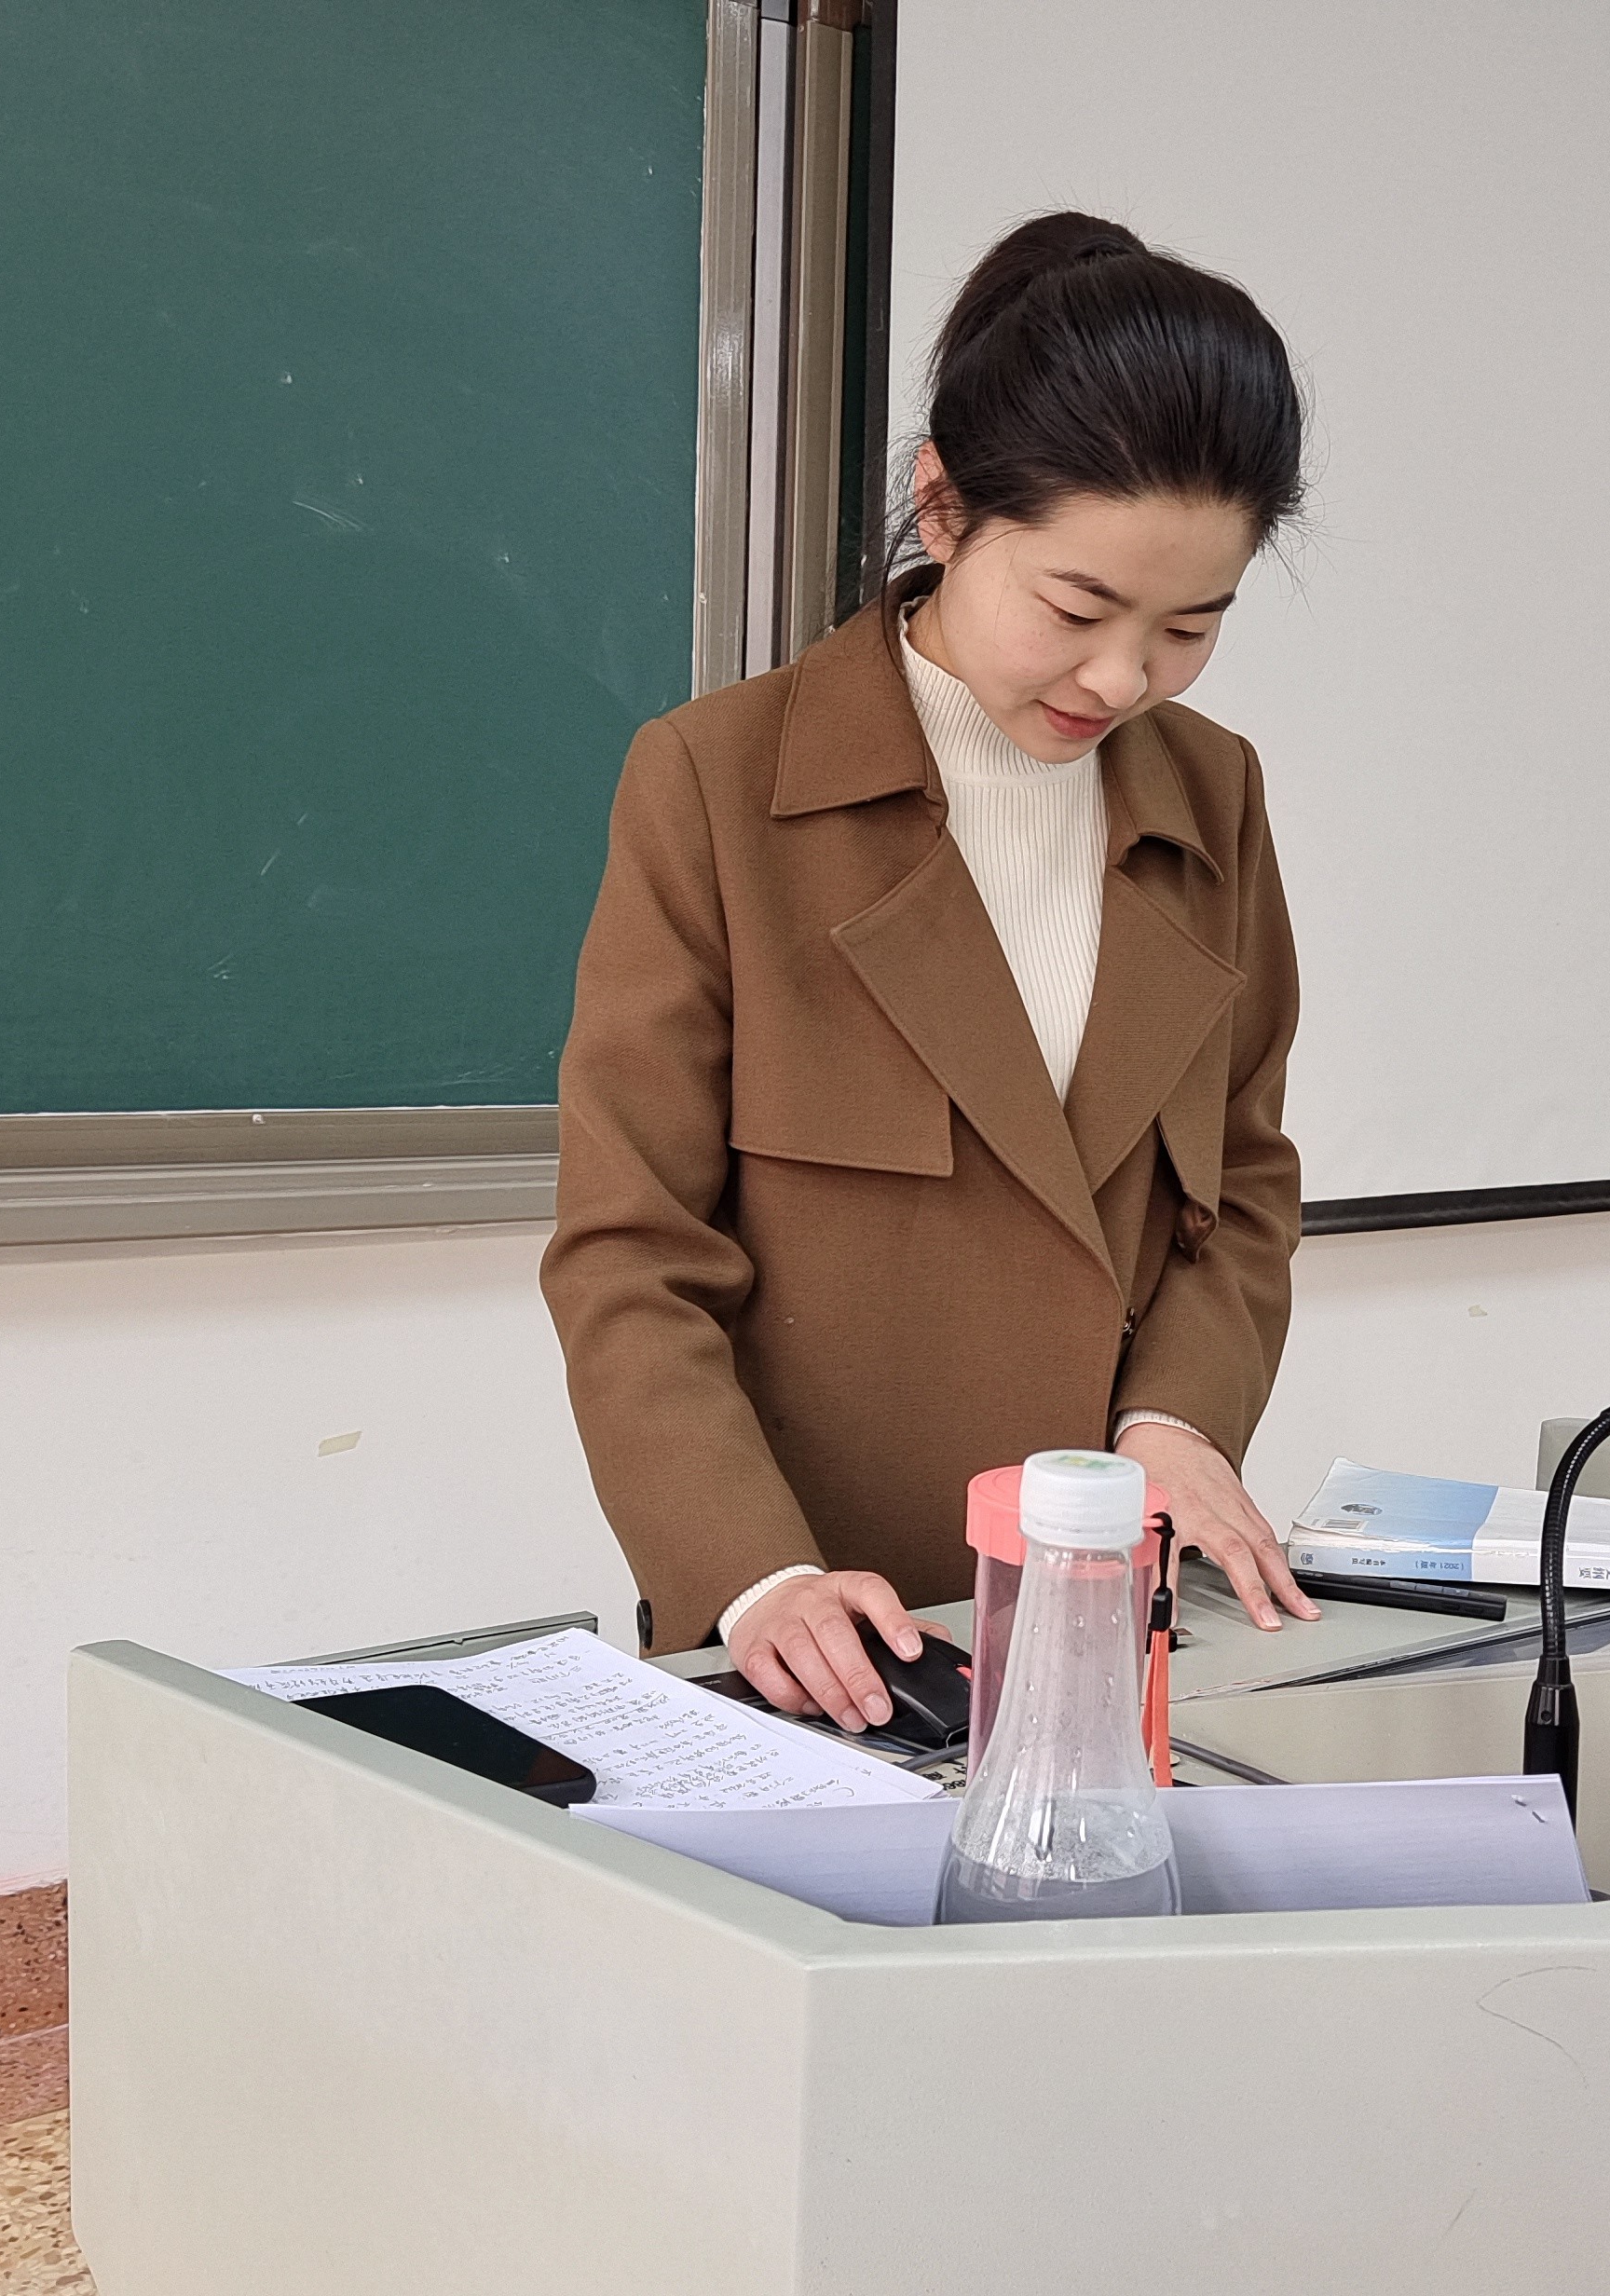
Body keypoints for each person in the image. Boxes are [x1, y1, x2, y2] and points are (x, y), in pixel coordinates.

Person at [541, 210, 1319, 1731]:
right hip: (823, 1646)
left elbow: (1240, 1184)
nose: (1122, 679)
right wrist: (751, 1575)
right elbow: (632, 1249)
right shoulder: (716, 784)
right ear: (945, 507)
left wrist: (1179, 1421)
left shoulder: (1213, 795)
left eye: (1189, 628)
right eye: (1076, 610)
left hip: (1111, 1614)